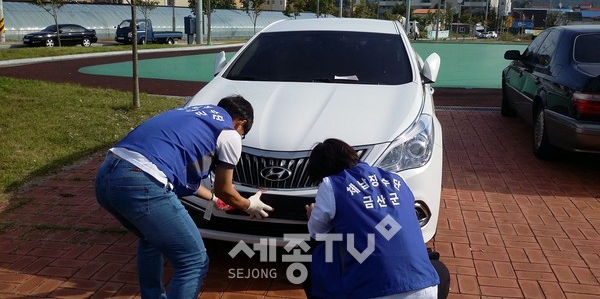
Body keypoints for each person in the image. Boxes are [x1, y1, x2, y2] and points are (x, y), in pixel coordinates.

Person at [94, 95, 273, 298]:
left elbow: (182, 178)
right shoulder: (229, 132)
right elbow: (225, 189)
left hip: (106, 176)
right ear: (242, 123)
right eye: (242, 133)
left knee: (151, 240)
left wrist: (213, 199)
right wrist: (249, 205)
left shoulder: (189, 115)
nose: (239, 137)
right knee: (194, 260)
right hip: (142, 181)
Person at [304, 138, 448, 299]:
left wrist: (312, 215)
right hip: (425, 287)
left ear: (321, 170)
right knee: (440, 269)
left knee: (313, 260)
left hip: (375, 291)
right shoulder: (396, 179)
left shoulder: (332, 185)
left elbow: (317, 233)